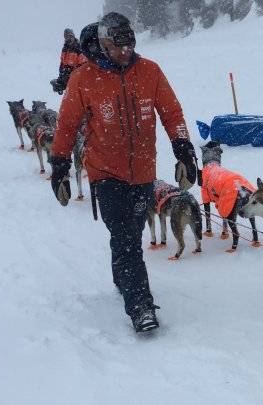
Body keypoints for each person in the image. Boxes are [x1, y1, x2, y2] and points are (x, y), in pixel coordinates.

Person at [48, 13, 198, 333]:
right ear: (103, 45)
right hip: (105, 172)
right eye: (119, 48)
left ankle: (122, 278)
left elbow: (172, 113)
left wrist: (184, 149)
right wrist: (59, 166)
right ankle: (140, 304)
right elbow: (66, 125)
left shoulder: (150, 71)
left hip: (143, 171)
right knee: (127, 238)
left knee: (130, 233)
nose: (126, 52)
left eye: (130, 45)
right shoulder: (83, 78)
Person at [51, 28, 87, 94]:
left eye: (70, 36)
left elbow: (83, 66)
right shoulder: (65, 48)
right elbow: (62, 63)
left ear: (73, 36)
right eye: (66, 36)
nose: (68, 38)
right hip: (67, 75)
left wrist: (70, 73)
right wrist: (61, 76)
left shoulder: (79, 48)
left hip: (77, 78)